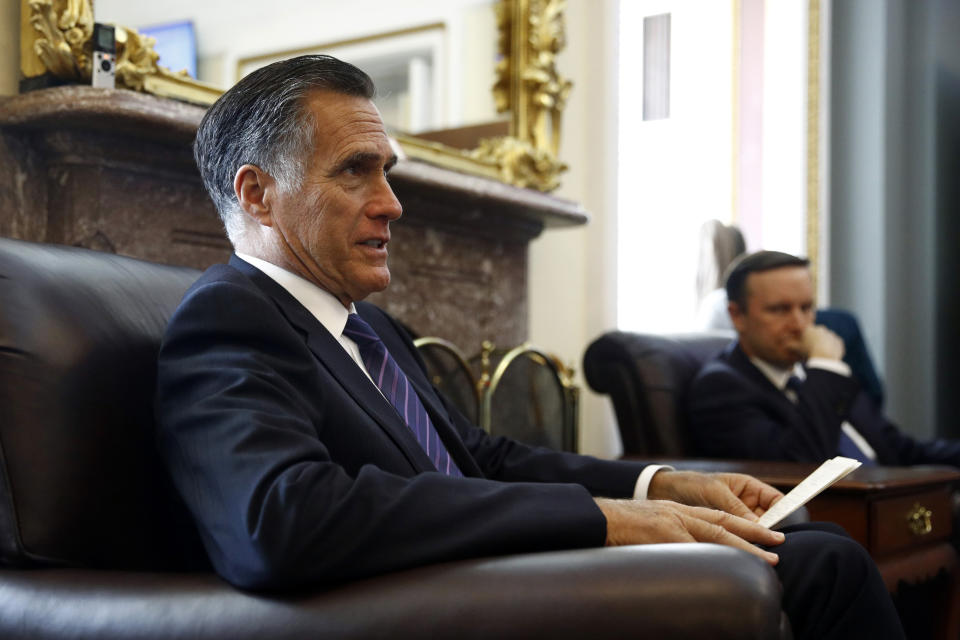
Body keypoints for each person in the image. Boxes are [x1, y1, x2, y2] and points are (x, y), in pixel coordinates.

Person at [155, 55, 903, 639]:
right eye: (356, 171)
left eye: (387, 171)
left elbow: (483, 459)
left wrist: (659, 487)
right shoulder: (229, 316)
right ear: (257, 194)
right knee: (824, 565)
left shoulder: (372, 331)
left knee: (816, 552)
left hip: (497, 569)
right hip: (441, 602)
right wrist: (601, 520)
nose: (391, 203)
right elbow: (277, 520)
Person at [687, 250, 960, 467]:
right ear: (737, 316)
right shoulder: (720, 388)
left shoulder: (816, 373)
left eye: (806, 307)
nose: (799, 324)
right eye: (780, 310)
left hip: (892, 500)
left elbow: (900, 450)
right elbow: (802, 464)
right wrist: (826, 367)